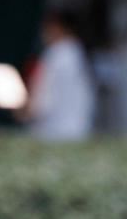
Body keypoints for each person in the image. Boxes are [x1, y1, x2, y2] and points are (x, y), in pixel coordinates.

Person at [19, 11, 95, 141]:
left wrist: (26, 111)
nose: (44, 33)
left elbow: (43, 99)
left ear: (58, 27)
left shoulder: (57, 54)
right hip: (78, 129)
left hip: (55, 131)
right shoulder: (76, 51)